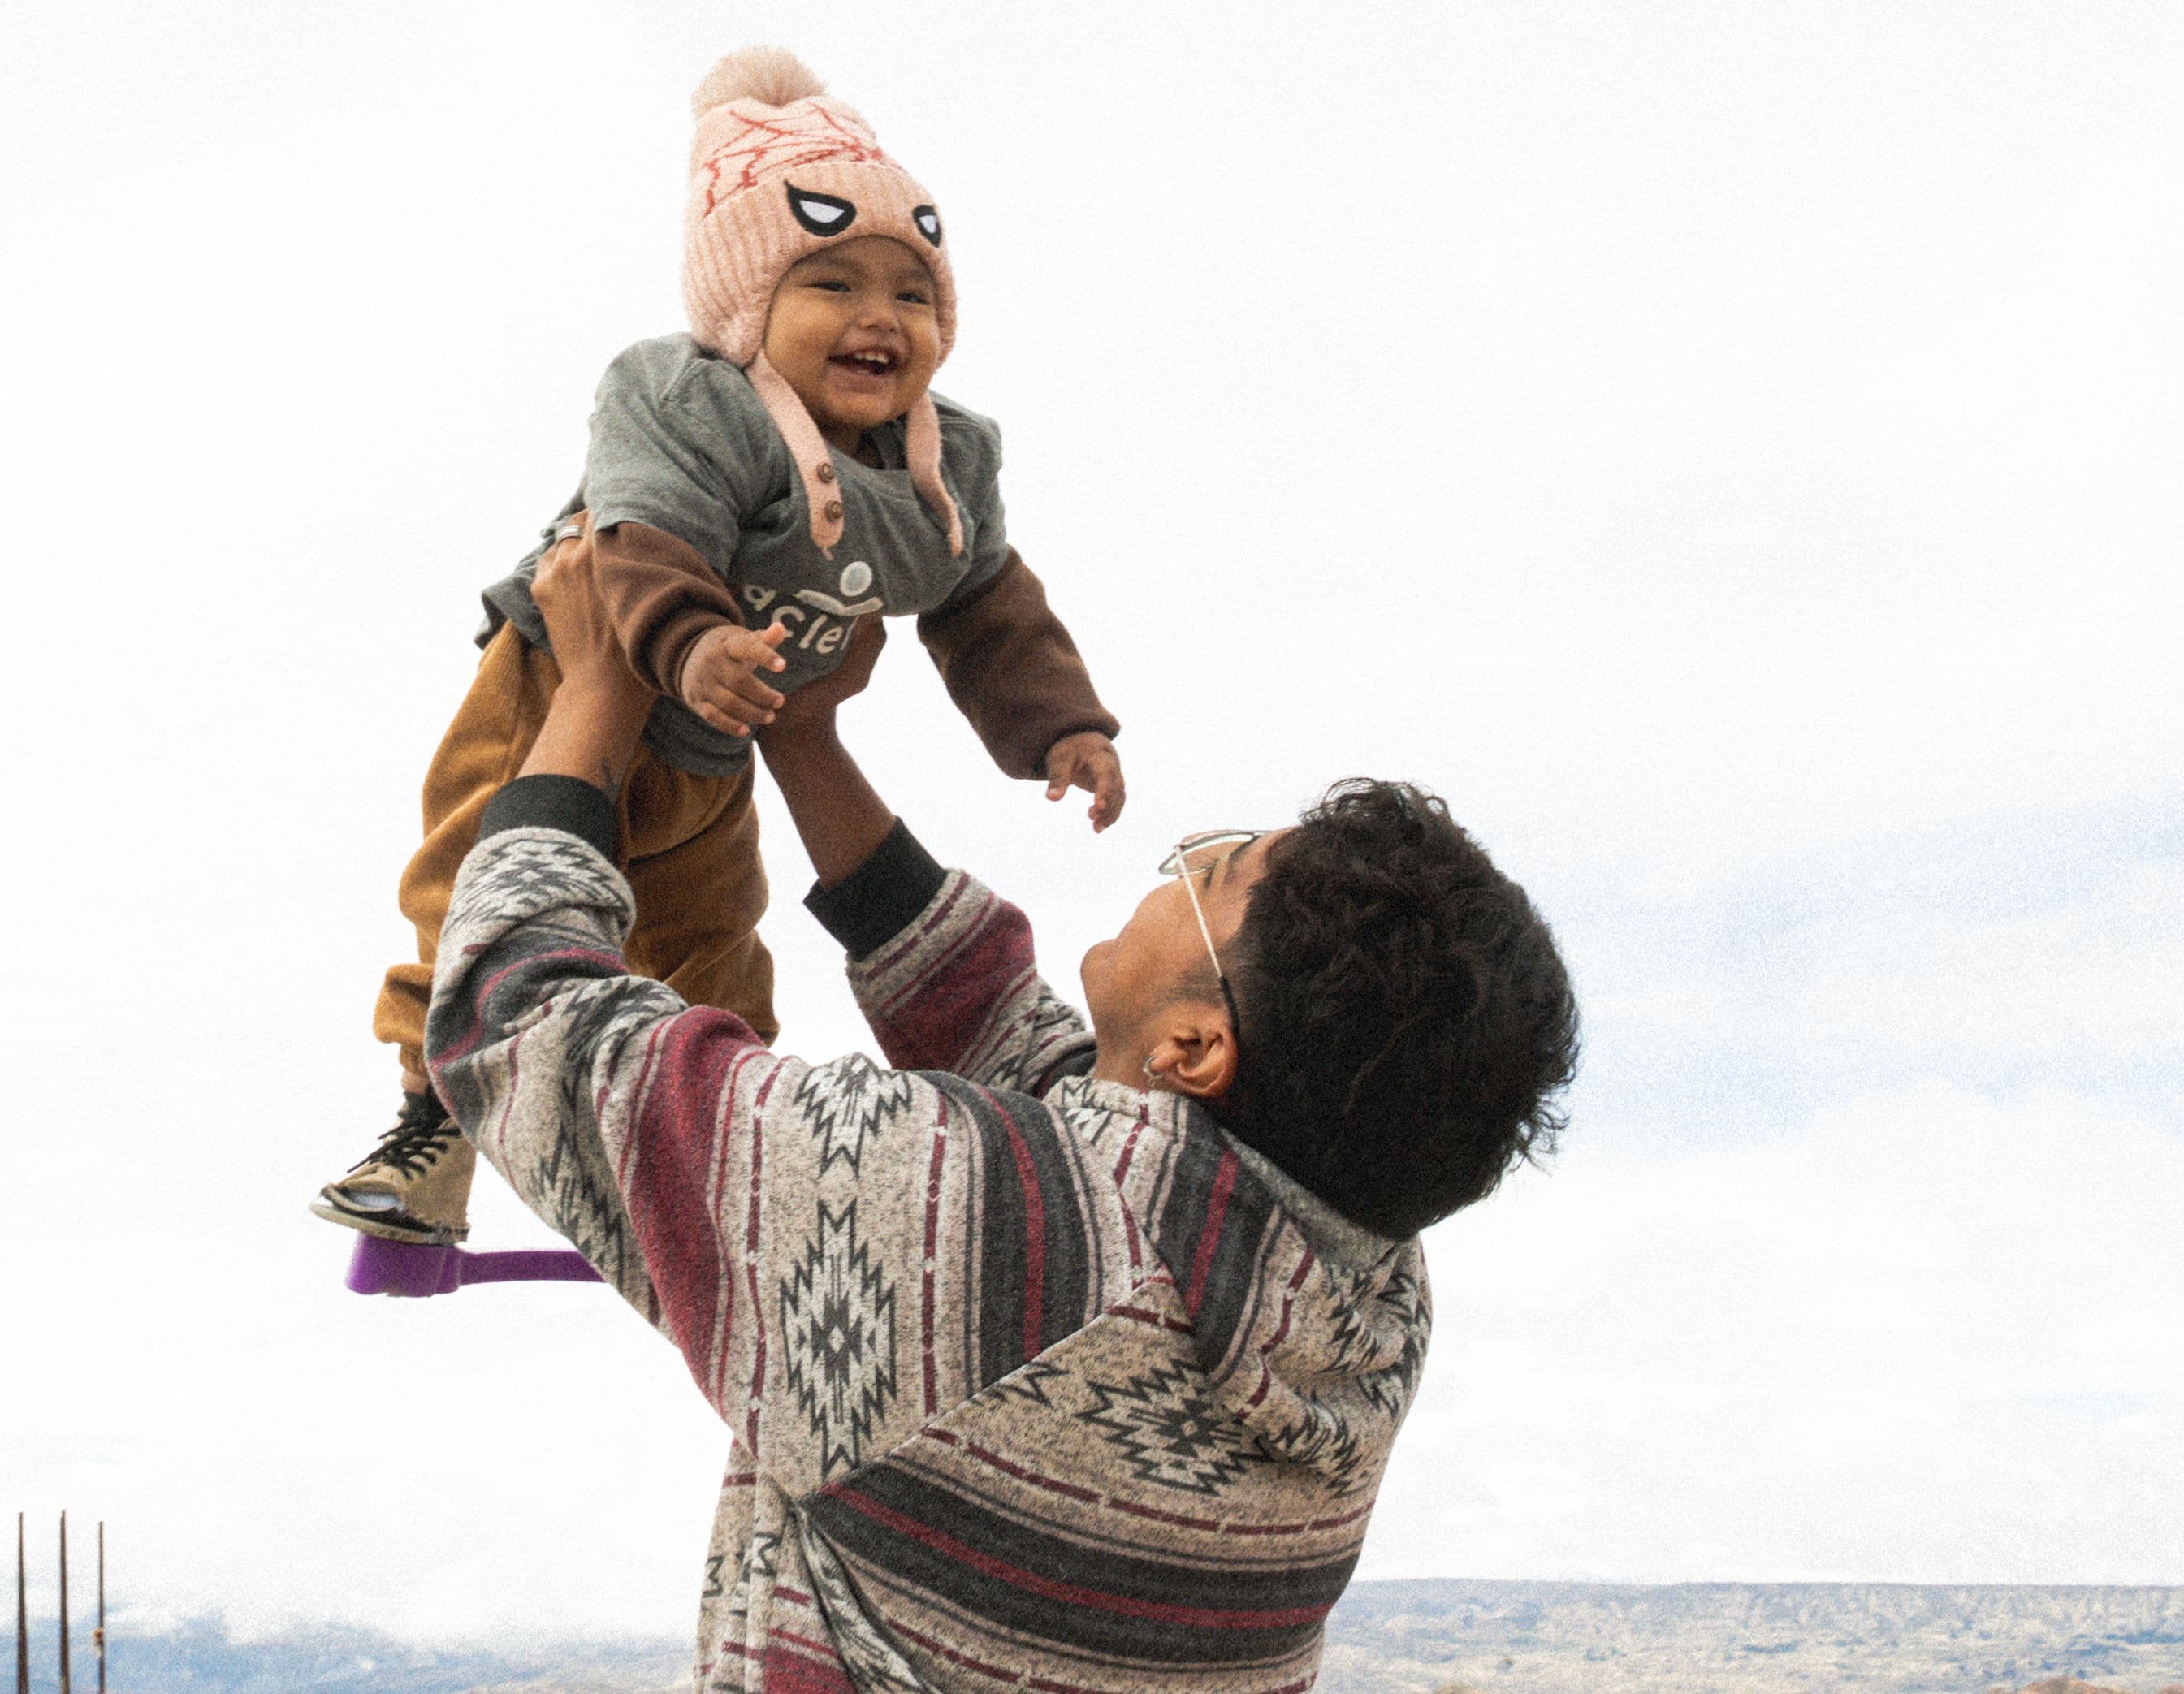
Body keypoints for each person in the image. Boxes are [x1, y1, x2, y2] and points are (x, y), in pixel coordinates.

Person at [419, 538, 1581, 1692]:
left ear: (1197, 1045)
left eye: (1214, 870)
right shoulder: (1365, 1303)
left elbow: (522, 1021)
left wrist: (596, 690)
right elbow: (1039, 1068)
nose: (1183, 858)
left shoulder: (980, 1252)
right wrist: (803, 736)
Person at [315, 47, 1123, 1247]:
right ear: (746, 306)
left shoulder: (944, 465)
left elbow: (986, 599)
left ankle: (709, 1166)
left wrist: (1060, 721)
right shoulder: (690, 400)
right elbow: (640, 534)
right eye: (832, 284)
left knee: (710, 942)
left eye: (911, 292)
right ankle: (431, 1127)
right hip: (562, 685)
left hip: (717, 742)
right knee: (473, 894)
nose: (878, 319)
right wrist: (688, 641)